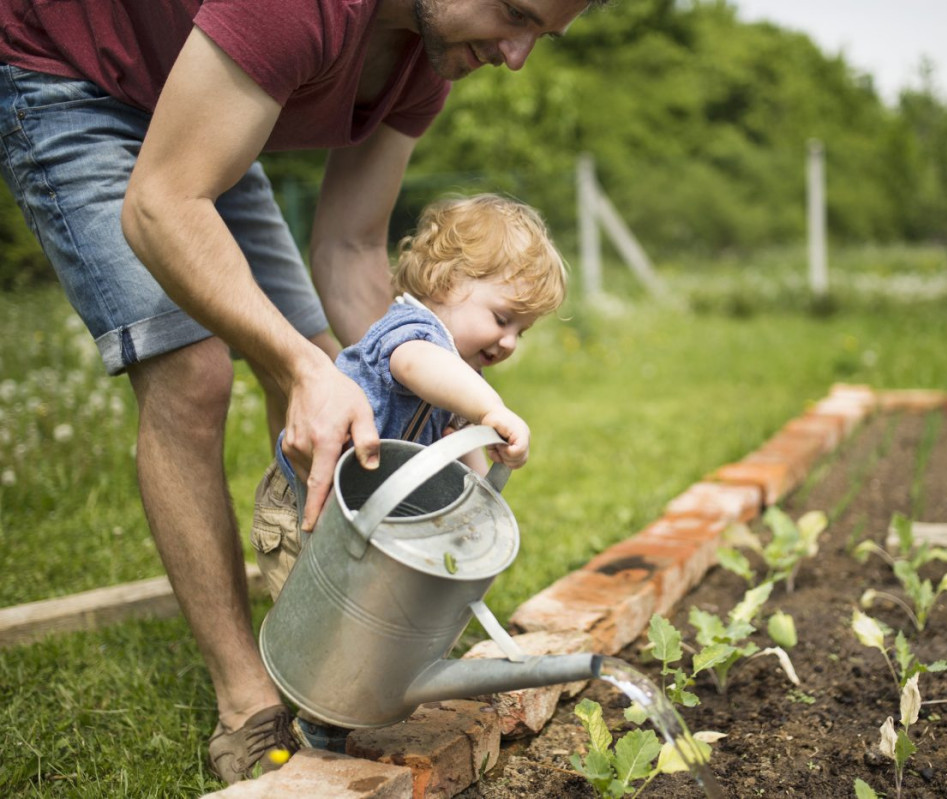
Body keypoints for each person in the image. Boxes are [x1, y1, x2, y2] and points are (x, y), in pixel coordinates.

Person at [0, 0, 603, 784]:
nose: (518, 55)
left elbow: (352, 250)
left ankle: (327, 612)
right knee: (194, 371)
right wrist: (301, 369)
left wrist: (399, 384)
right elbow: (160, 203)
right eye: (514, 12)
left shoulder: (436, 49)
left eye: (543, 36)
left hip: (199, 98)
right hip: (73, 76)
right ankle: (247, 700)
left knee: (334, 368)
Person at [252, 192, 566, 751]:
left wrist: (480, 477)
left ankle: (346, 708)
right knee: (323, 628)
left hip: (366, 522)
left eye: (523, 330)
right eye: (502, 318)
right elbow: (419, 367)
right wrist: (490, 408)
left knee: (374, 618)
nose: (510, 341)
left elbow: (449, 440)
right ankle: (315, 724)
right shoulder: (410, 335)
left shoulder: (455, 368)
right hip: (307, 510)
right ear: (446, 283)